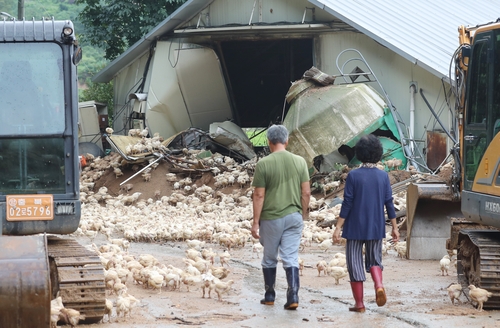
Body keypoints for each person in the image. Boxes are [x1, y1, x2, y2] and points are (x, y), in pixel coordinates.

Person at [332, 134, 400, 313]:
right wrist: (394, 227)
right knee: (375, 260)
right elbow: (389, 202)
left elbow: (347, 203)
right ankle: (378, 284)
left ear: (360, 153)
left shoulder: (353, 175)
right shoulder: (383, 176)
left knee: (354, 264)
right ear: (378, 153)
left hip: (354, 227)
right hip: (376, 227)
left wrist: (338, 226)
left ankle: (360, 304)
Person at [251, 124, 310, 310]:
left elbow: (259, 195)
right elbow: (306, 192)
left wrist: (255, 222)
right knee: (291, 256)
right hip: (294, 216)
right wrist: (304, 214)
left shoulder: (263, 164)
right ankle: (293, 295)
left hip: (271, 218)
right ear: (287, 140)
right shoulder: (300, 161)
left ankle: (269, 295)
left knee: (269, 258)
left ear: (269, 142)